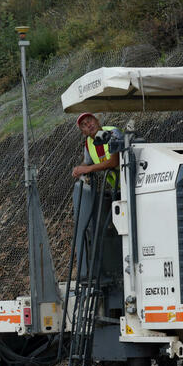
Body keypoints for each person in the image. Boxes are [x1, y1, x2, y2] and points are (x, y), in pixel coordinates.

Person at [70, 113, 124, 277]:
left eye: (90, 121)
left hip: (132, 185)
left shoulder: (112, 133)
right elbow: (88, 162)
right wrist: (79, 169)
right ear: (83, 132)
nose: (89, 125)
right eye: (84, 125)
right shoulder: (89, 143)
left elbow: (114, 162)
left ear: (97, 120)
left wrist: (87, 170)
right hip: (118, 189)